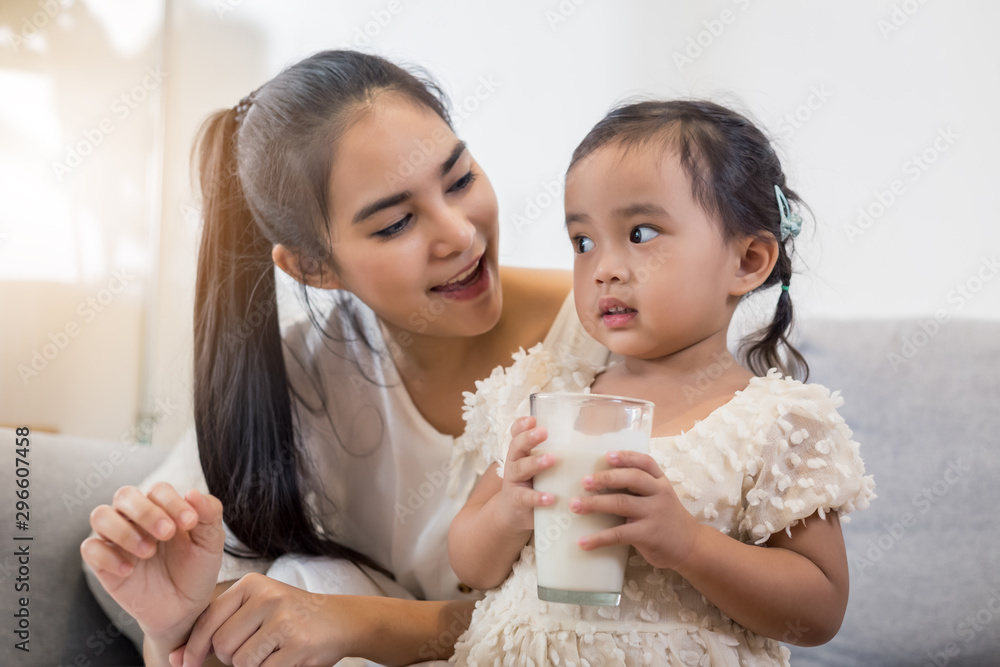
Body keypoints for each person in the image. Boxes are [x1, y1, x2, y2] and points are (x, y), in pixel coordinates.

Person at [80, 49, 583, 667]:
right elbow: (193, 621)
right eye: (396, 223)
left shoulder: (616, 337)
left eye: (459, 180)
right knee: (300, 579)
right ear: (313, 268)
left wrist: (358, 623)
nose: (458, 233)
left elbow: (612, 626)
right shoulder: (300, 378)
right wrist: (174, 626)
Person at [447, 99, 877, 665]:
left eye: (641, 233)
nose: (603, 267)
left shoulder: (777, 423)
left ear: (747, 260)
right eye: (582, 241)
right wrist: (510, 510)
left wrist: (691, 545)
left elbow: (818, 611)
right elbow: (469, 564)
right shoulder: (550, 396)